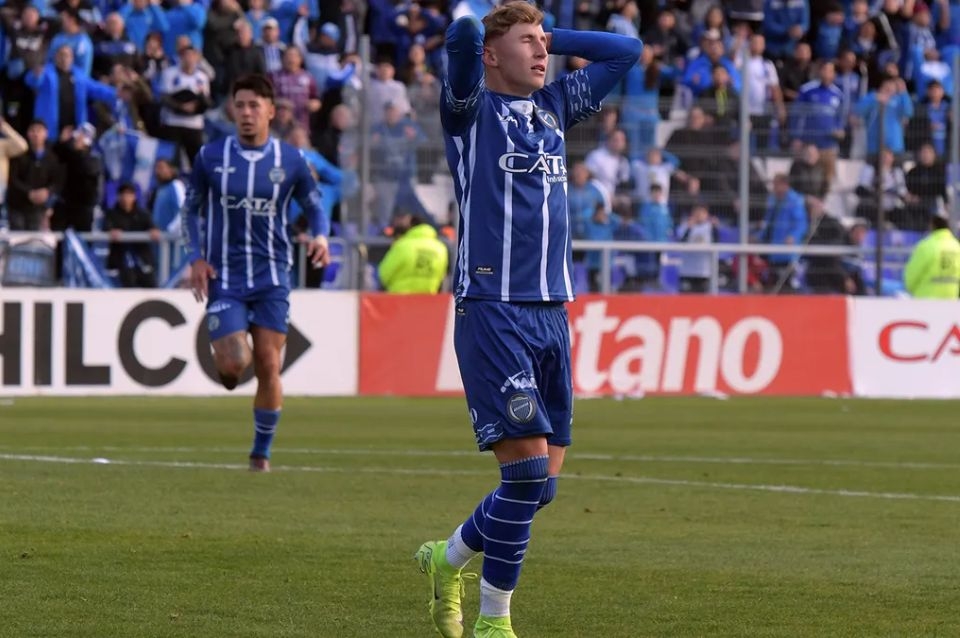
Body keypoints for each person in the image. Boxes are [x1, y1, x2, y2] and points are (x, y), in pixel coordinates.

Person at [413, 5, 641, 638]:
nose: (543, 53)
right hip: (492, 308)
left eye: (545, 43)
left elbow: (627, 50)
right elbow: (463, 34)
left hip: (551, 311)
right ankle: (495, 622)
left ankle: (447, 557)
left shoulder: (555, 106)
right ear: (491, 56)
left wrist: (549, 35)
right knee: (526, 473)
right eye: (527, 43)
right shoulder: (469, 111)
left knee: (540, 489)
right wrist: (482, 28)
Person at [180, 74, 331, 472]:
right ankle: (228, 364)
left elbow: (315, 206)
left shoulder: (291, 160)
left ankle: (260, 453)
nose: (246, 113)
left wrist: (320, 236)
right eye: (240, 105)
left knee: (268, 363)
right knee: (234, 365)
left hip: (272, 277)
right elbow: (189, 210)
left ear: (271, 112)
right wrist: (195, 258)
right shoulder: (210, 156)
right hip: (225, 277)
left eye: (254, 106)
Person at [378, 213, 449, 293]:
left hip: (400, 298)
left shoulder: (402, 246)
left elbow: (384, 274)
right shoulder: (440, 248)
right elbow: (442, 277)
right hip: (429, 298)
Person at [903, 213, 960, 299]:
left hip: (926, 298)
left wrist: (910, 288)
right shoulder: (957, 246)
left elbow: (912, 275)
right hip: (951, 298)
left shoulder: (927, 246)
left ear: (932, 226)